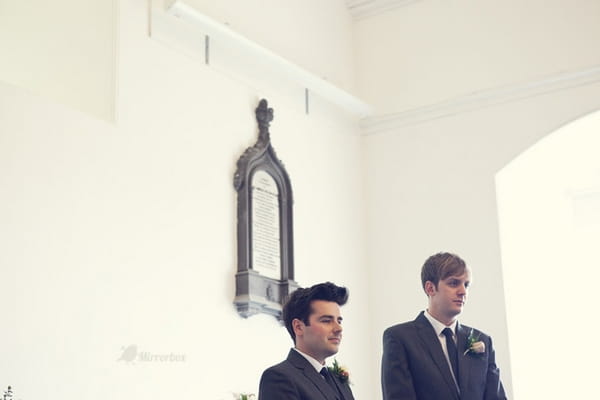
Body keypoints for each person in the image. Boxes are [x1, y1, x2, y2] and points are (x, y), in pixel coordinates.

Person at [381, 252, 507, 400]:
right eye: (454, 283)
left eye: (466, 285)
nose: (463, 292)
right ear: (430, 288)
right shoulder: (400, 338)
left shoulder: (484, 340)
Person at [259, 282, 355, 400]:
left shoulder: (338, 380)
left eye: (339, 321)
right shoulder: (279, 378)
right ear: (298, 327)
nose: (339, 329)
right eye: (326, 320)